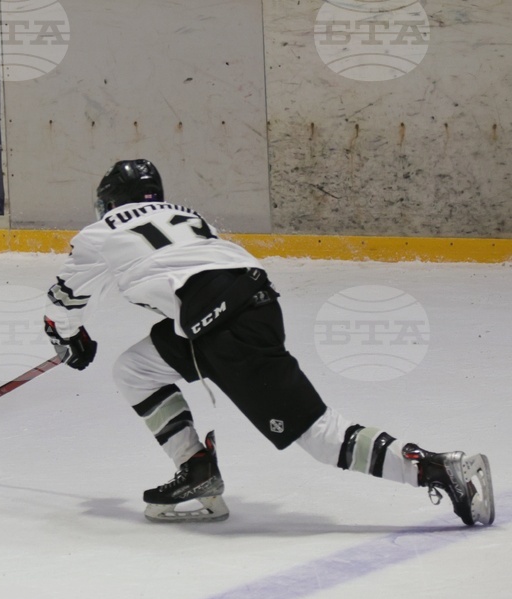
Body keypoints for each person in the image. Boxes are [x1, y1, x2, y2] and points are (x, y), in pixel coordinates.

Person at [42, 159, 495, 526]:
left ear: (109, 201)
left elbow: (66, 295)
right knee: (135, 369)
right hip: (239, 305)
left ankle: (437, 468)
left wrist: (65, 335)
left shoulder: (101, 232)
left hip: (222, 324)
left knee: (319, 436)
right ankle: (196, 467)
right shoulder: (184, 215)